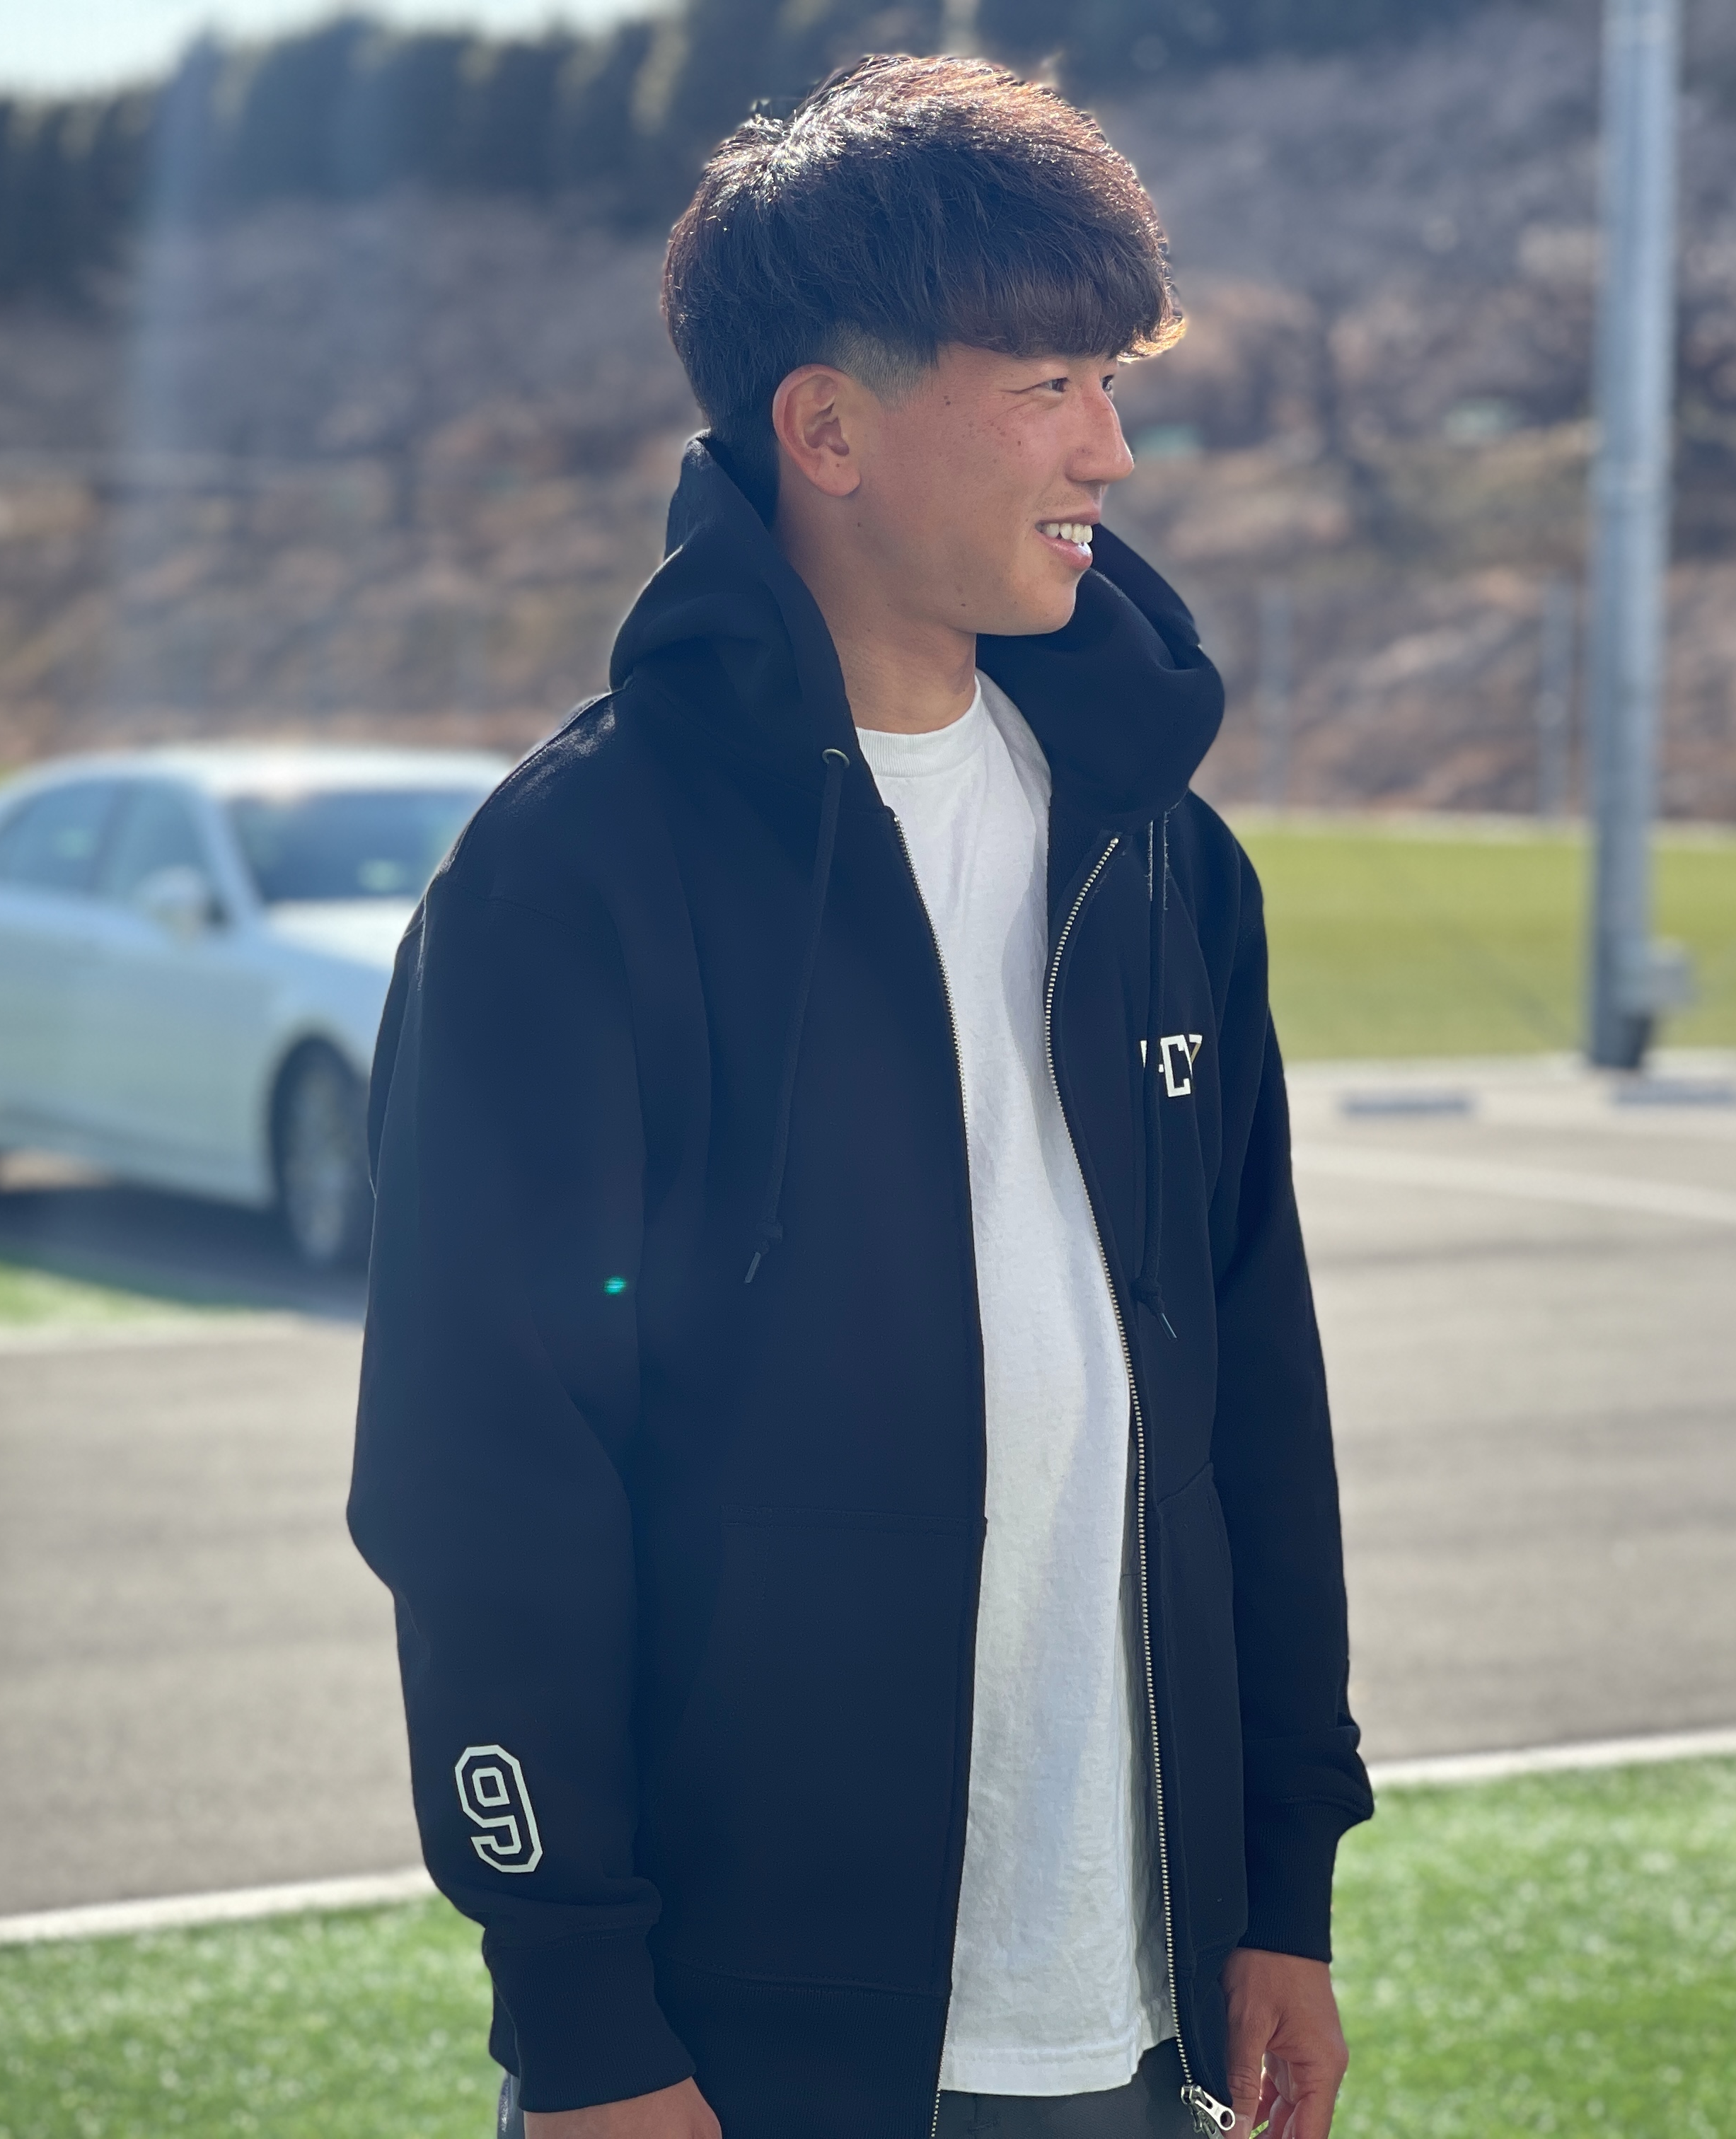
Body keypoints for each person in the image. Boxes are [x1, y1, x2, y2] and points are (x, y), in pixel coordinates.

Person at [347, 50, 1374, 2139]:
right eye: (1049, 385)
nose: (1112, 446)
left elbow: (1250, 1393)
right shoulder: (570, 877)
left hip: (1136, 2006)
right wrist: (583, 2015)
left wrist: (1286, 1881)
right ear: (825, 428)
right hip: (741, 2046)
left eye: (1112, 381)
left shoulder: (1163, 858)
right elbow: (485, 1480)